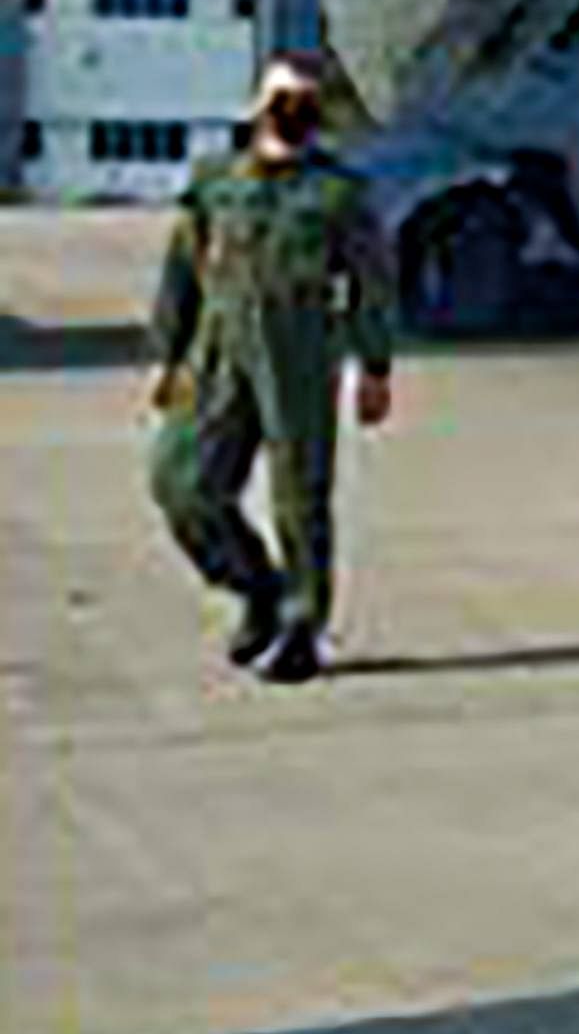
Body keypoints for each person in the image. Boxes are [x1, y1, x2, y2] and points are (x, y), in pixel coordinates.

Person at [146, 58, 398, 685]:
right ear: (260, 103)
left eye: (307, 99)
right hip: (218, 350)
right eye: (284, 96)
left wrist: (375, 368)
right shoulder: (217, 183)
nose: (295, 109)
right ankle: (258, 588)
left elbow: (372, 284)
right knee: (182, 484)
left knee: (300, 495)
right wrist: (169, 356)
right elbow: (182, 272)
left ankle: (302, 626)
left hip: (301, 354)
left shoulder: (338, 193)